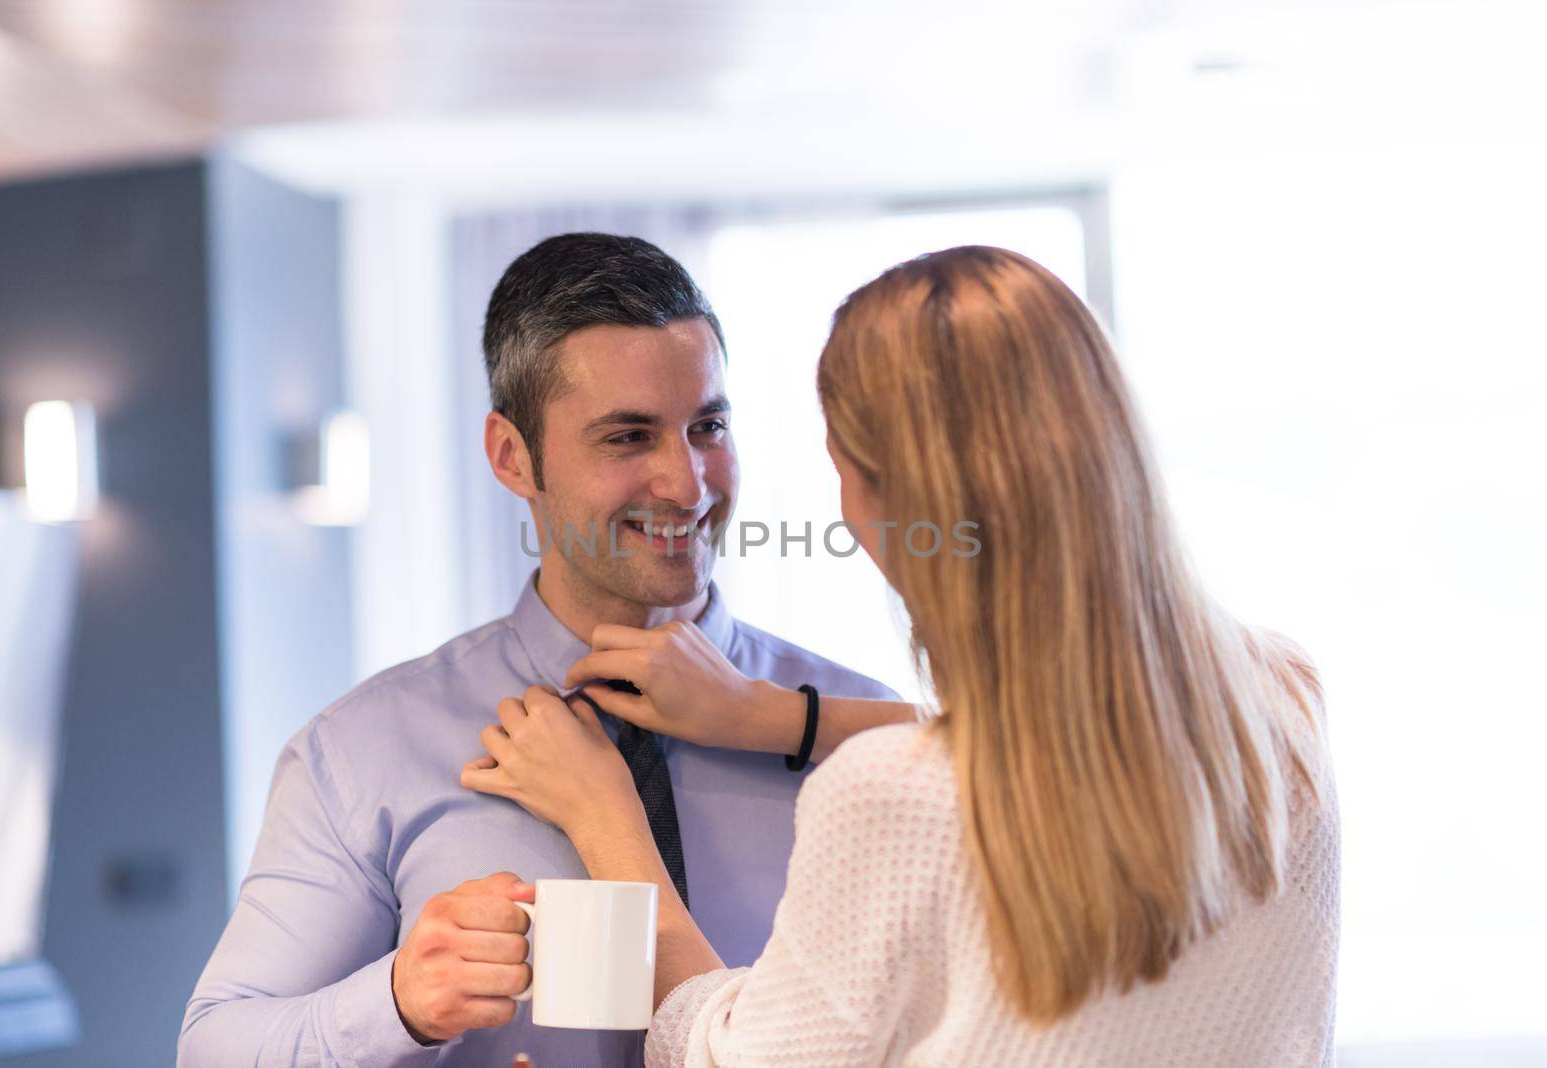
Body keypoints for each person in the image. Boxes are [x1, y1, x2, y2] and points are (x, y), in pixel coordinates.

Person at [465, 246, 1341, 1066]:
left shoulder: (892, 797)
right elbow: (1073, 728)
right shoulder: (1280, 697)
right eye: (629, 436)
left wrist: (605, 819)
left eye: (839, 465)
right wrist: (773, 717)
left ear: (901, 504)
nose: (690, 485)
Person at [177, 234, 901, 1067]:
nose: (688, 483)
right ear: (512, 457)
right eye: (628, 437)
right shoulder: (360, 751)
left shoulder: (859, 743)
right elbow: (214, 1048)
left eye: (707, 425)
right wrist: (398, 1000)